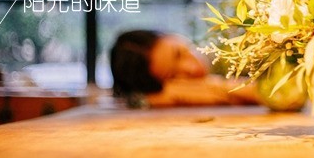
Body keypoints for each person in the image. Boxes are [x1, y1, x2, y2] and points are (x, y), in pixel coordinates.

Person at [110, 30, 258, 107]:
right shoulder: (188, 92)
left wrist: (221, 88)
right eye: (173, 76)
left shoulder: (238, 37)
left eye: (179, 54)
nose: (190, 69)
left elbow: (266, 92)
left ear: (173, 36)